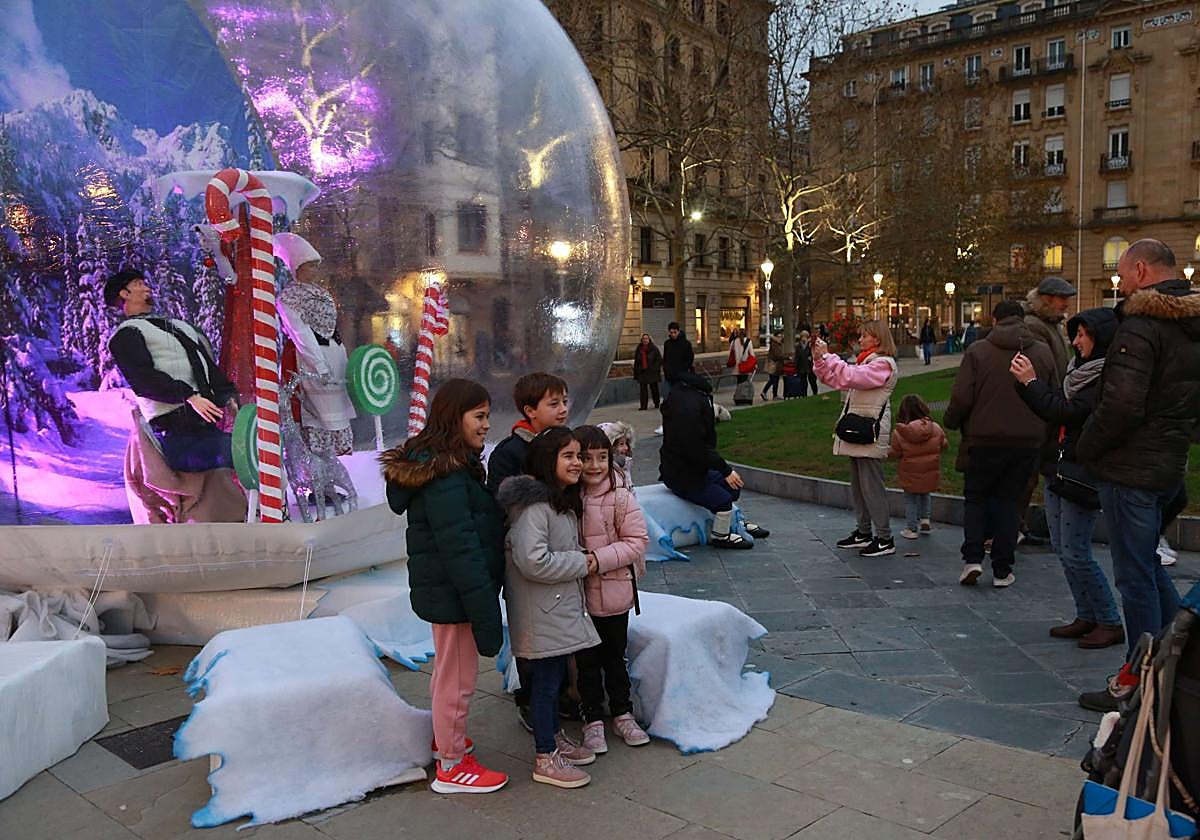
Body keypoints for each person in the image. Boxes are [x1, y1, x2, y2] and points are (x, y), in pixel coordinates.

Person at [1075, 239, 1200, 712]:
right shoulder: (1189, 324)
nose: (1121, 283)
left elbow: (1121, 404)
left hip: (1131, 467)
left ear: (1142, 270)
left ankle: (1139, 677)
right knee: (1145, 564)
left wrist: (1085, 448)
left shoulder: (1142, 325)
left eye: (1124, 274)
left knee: (1134, 577)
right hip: (1168, 461)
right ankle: (1173, 659)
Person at [381, 379, 509, 794]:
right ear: (455, 418)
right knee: (458, 677)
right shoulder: (447, 476)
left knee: (449, 671)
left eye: (487, 416)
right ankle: (452, 765)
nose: (486, 424)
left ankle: (445, 739)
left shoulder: (447, 464)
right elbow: (461, 548)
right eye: (479, 416)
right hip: (455, 592)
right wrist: (482, 606)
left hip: (447, 590)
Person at [1010, 308, 1124, 649]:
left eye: (1083, 335)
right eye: (1075, 334)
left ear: (1100, 339)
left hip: (1079, 472)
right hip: (1058, 466)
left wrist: (1031, 383)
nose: (1076, 342)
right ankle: (1086, 614)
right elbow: (1054, 407)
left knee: (1076, 551)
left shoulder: (1104, 377)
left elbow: (1066, 412)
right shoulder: (1078, 371)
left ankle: (1109, 620)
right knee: (1063, 548)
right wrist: (1027, 386)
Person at [497, 428, 600, 788]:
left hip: (552, 610)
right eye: (568, 456)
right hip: (541, 613)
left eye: (578, 456)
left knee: (553, 680)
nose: (578, 463)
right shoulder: (536, 508)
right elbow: (533, 560)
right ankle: (546, 757)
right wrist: (582, 562)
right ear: (547, 460)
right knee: (544, 686)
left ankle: (553, 737)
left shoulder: (556, 502)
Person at [944, 300, 1054, 588]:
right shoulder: (1042, 352)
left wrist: (952, 420)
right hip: (1027, 440)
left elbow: (962, 396)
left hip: (983, 438)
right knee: (1010, 503)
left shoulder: (978, 351)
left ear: (994, 320)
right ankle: (1003, 569)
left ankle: (972, 559)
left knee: (976, 499)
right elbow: (1053, 392)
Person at [484, 371, 570, 729]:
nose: (563, 409)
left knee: (558, 630)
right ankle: (530, 701)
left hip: (559, 555)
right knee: (530, 634)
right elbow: (500, 505)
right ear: (529, 410)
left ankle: (558, 696)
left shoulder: (564, 443)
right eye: (554, 403)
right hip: (523, 559)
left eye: (565, 401)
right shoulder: (511, 452)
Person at [105, 268, 238, 473]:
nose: (147, 288)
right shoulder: (125, 335)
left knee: (252, 448)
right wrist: (189, 396)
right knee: (241, 452)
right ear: (124, 294)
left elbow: (206, 366)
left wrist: (228, 397)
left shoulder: (179, 327)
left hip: (208, 427)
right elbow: (144, 380)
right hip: (176, 435)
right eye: (139, 284)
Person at [572, 425, 651, 755]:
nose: (594, 465)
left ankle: (622, 713)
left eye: (601, 457)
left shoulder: (621, 497)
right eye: (586, 458)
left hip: (614, 593)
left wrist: (598, 560)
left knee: (615, 658)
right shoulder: (567, 497)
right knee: (586, 663)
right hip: (577, 598)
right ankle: (592, 719)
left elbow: (637, 541)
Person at [812, 320, 900, 557]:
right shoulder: (866, 362)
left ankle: (884, 538)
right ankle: (864, 532)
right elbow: (836, 379)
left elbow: (851, 376)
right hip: (858, 430)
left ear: (877, 339)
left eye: (864, 336)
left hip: (869, 432)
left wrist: (828, 356)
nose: (860, 340)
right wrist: (819, 360)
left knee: (872, 487)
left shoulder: (883, 365)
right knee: (859, 487)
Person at [659, 370, 770, 549]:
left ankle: (733, 521)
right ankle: (721, 536)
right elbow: (696, 448)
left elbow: (701, 447)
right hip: (683, 475)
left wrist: (724, 471)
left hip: (694, 469)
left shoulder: (685, 400)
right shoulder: (687, 409)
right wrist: (725, 470)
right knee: (722, 499)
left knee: (732, 487)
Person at [274, 233, 356, 457]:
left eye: (316, 266)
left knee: (336, 412)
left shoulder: (322, 293)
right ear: (298, 267)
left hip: (333, 357)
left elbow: (332, 328)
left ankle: (340, 458)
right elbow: (300, 332)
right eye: (311, 265)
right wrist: (318, 364)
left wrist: (343, 358)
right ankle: (320, 462)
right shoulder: (289, 297)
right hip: (309, 360)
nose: (315, 271)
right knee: (317, 414)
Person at [888, 394, 948, 540]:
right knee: (925, 494)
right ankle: (925, 519)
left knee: (910, 499)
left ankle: (911, 528)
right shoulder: (935, 428)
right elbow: (944, 444)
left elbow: (895, 453)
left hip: (909, 471)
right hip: (929, 469)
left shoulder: (899, 433)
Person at [597, 420, 636, 487]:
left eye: (626, 443)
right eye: (621, 444)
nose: (626, 448)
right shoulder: (606, 470)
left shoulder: (624, 463)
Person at [661, 322, 694, 399]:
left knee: (680, 397)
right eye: (671, 332)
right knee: (666, 396)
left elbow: (690, 358)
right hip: (669, 376)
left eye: (675, 332)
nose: (673, 334)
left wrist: (683, 370)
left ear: (678, 331)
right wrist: (666, 370)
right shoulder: (667, 343)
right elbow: (665, 358)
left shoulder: (686, 344)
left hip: (681, 376)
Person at [632, 333, 662, 411]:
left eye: (646, 339)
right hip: (642, 371)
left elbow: (659, 360)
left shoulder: (654, 348)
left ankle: (656, 403)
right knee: (643, 390)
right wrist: (636, 371)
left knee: (654, 388)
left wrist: (655, 368)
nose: (645, 340)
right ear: (641, 340)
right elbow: (636, 361)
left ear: (649, 340)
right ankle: (643, 406)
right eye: (643, 339)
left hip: (652, 371)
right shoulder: (639, 348)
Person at [761, 329, 786, 401]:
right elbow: (777, 355)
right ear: (776, 337)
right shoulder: (775, 344)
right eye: (779, 336)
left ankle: (774, 395)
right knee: (773, 379)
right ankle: (765, 392)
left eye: (781, 336)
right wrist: (786, 357)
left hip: (775, 364)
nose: (780, 337)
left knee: (775, 379)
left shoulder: (778, 343)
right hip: (773, 364)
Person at [795, 330, 818, 396]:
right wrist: (796, 368)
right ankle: (804, 396)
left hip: (810, 366)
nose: (804, 338)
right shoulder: (798, 346)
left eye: (805, 336)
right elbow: (797, 357)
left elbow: (815, 354)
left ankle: (815, 394)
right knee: (803, 383)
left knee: (812, 381)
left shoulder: (810, 345)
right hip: (802, 367)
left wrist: (811, 357)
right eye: (803, 336)